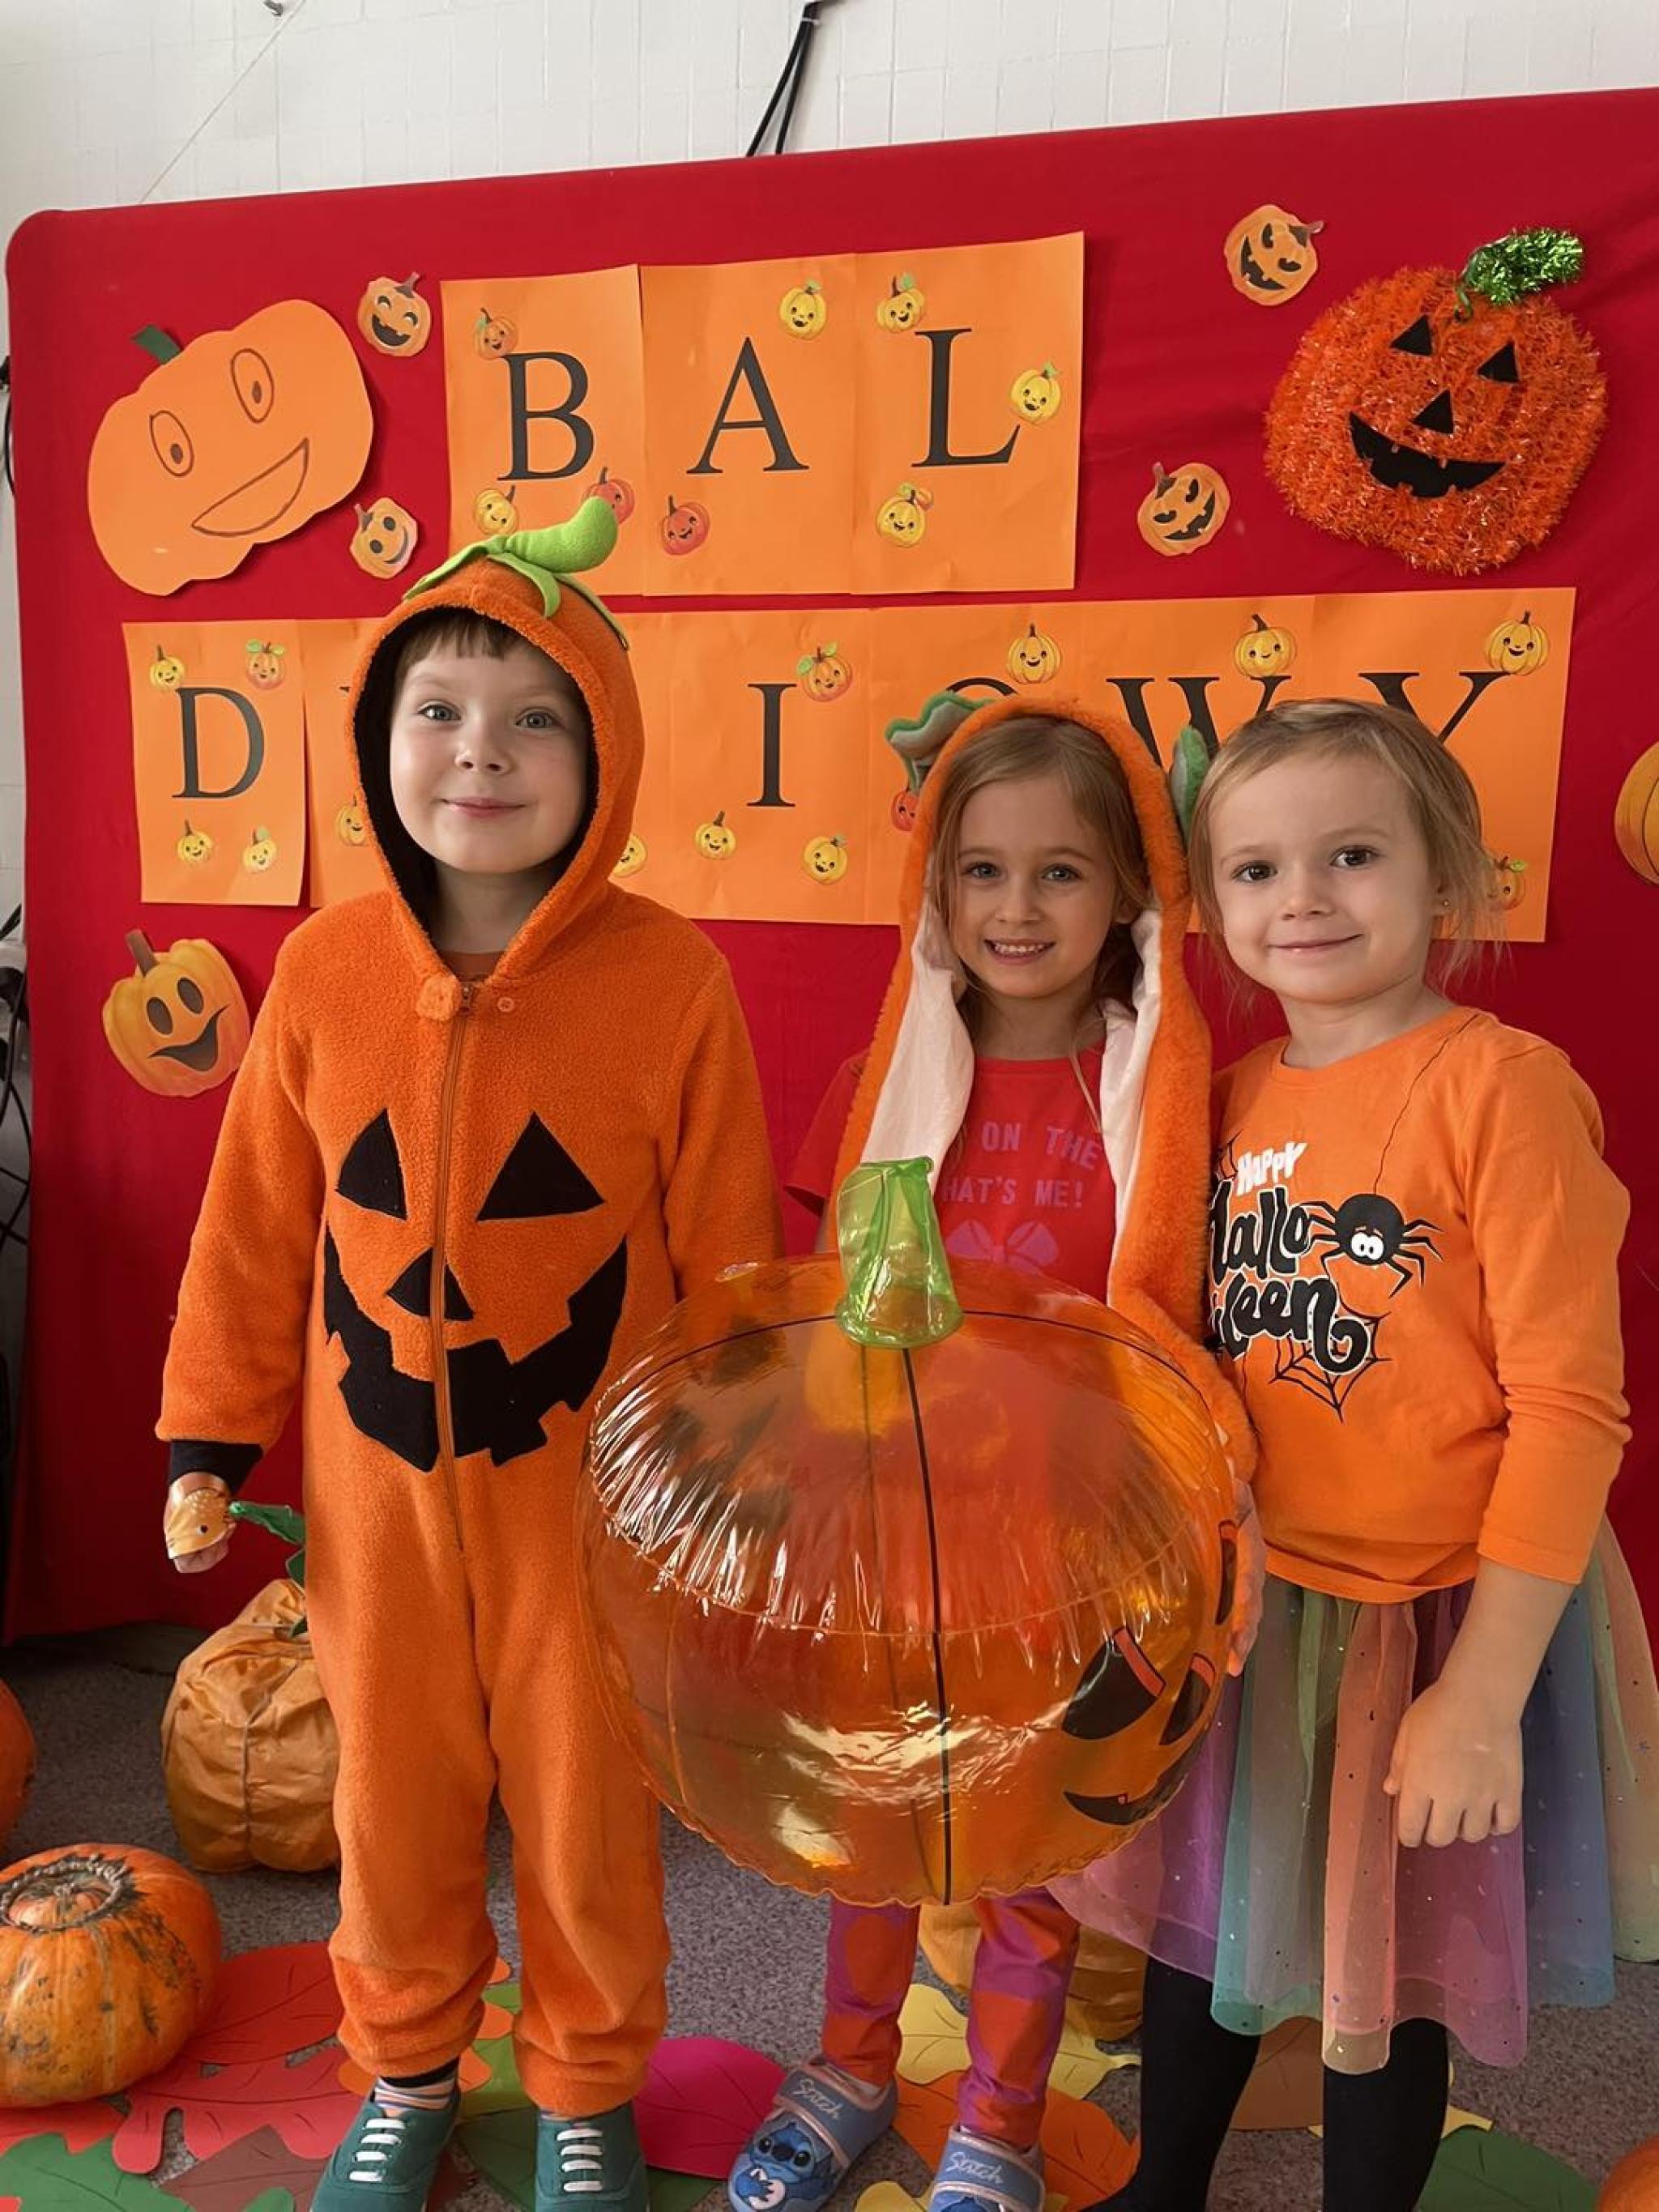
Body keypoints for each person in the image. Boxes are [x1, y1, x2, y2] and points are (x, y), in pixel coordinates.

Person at [160, 502, 781, 2212]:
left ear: (606, 754)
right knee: (393, 1800)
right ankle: (407, 2064)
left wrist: (736, 1464)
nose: (481, 752)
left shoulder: (672, 983)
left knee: (587, 1816)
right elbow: (254, 1227)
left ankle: (584, 2083)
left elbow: (730, 1251)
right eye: (437, 709)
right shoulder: (323, 972)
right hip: (374, 1507)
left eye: (534, 719)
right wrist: (206, 1437)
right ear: (380, 738)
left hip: (586, 1504)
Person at [1054, 697, 1659, 2212]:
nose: (1304, 898)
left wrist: (1483, 1695)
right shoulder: (1234, 1098)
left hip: (1441, 1617)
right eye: (1256, 869)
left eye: (1352, 856)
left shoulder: (1501, 1086)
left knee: (1387, 1976)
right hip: (1260, 1613)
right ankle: (1162, 2188)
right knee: (1205, 1928)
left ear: (1445, 876)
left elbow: (1572, 1409)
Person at [727, 693, 1256, 2212]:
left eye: (1060, 872)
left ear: (1131, 890)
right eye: (983, 871)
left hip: (1070, 1554)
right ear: (936, 886)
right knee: (875, 1821)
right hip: (900, 1535)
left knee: (1033, 1846)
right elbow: (827, 1305)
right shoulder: (887, 1082)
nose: (1017, 908)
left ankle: (1000, 2122)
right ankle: (848, 2065)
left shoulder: (1165, 1100)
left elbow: (1184, 1319)